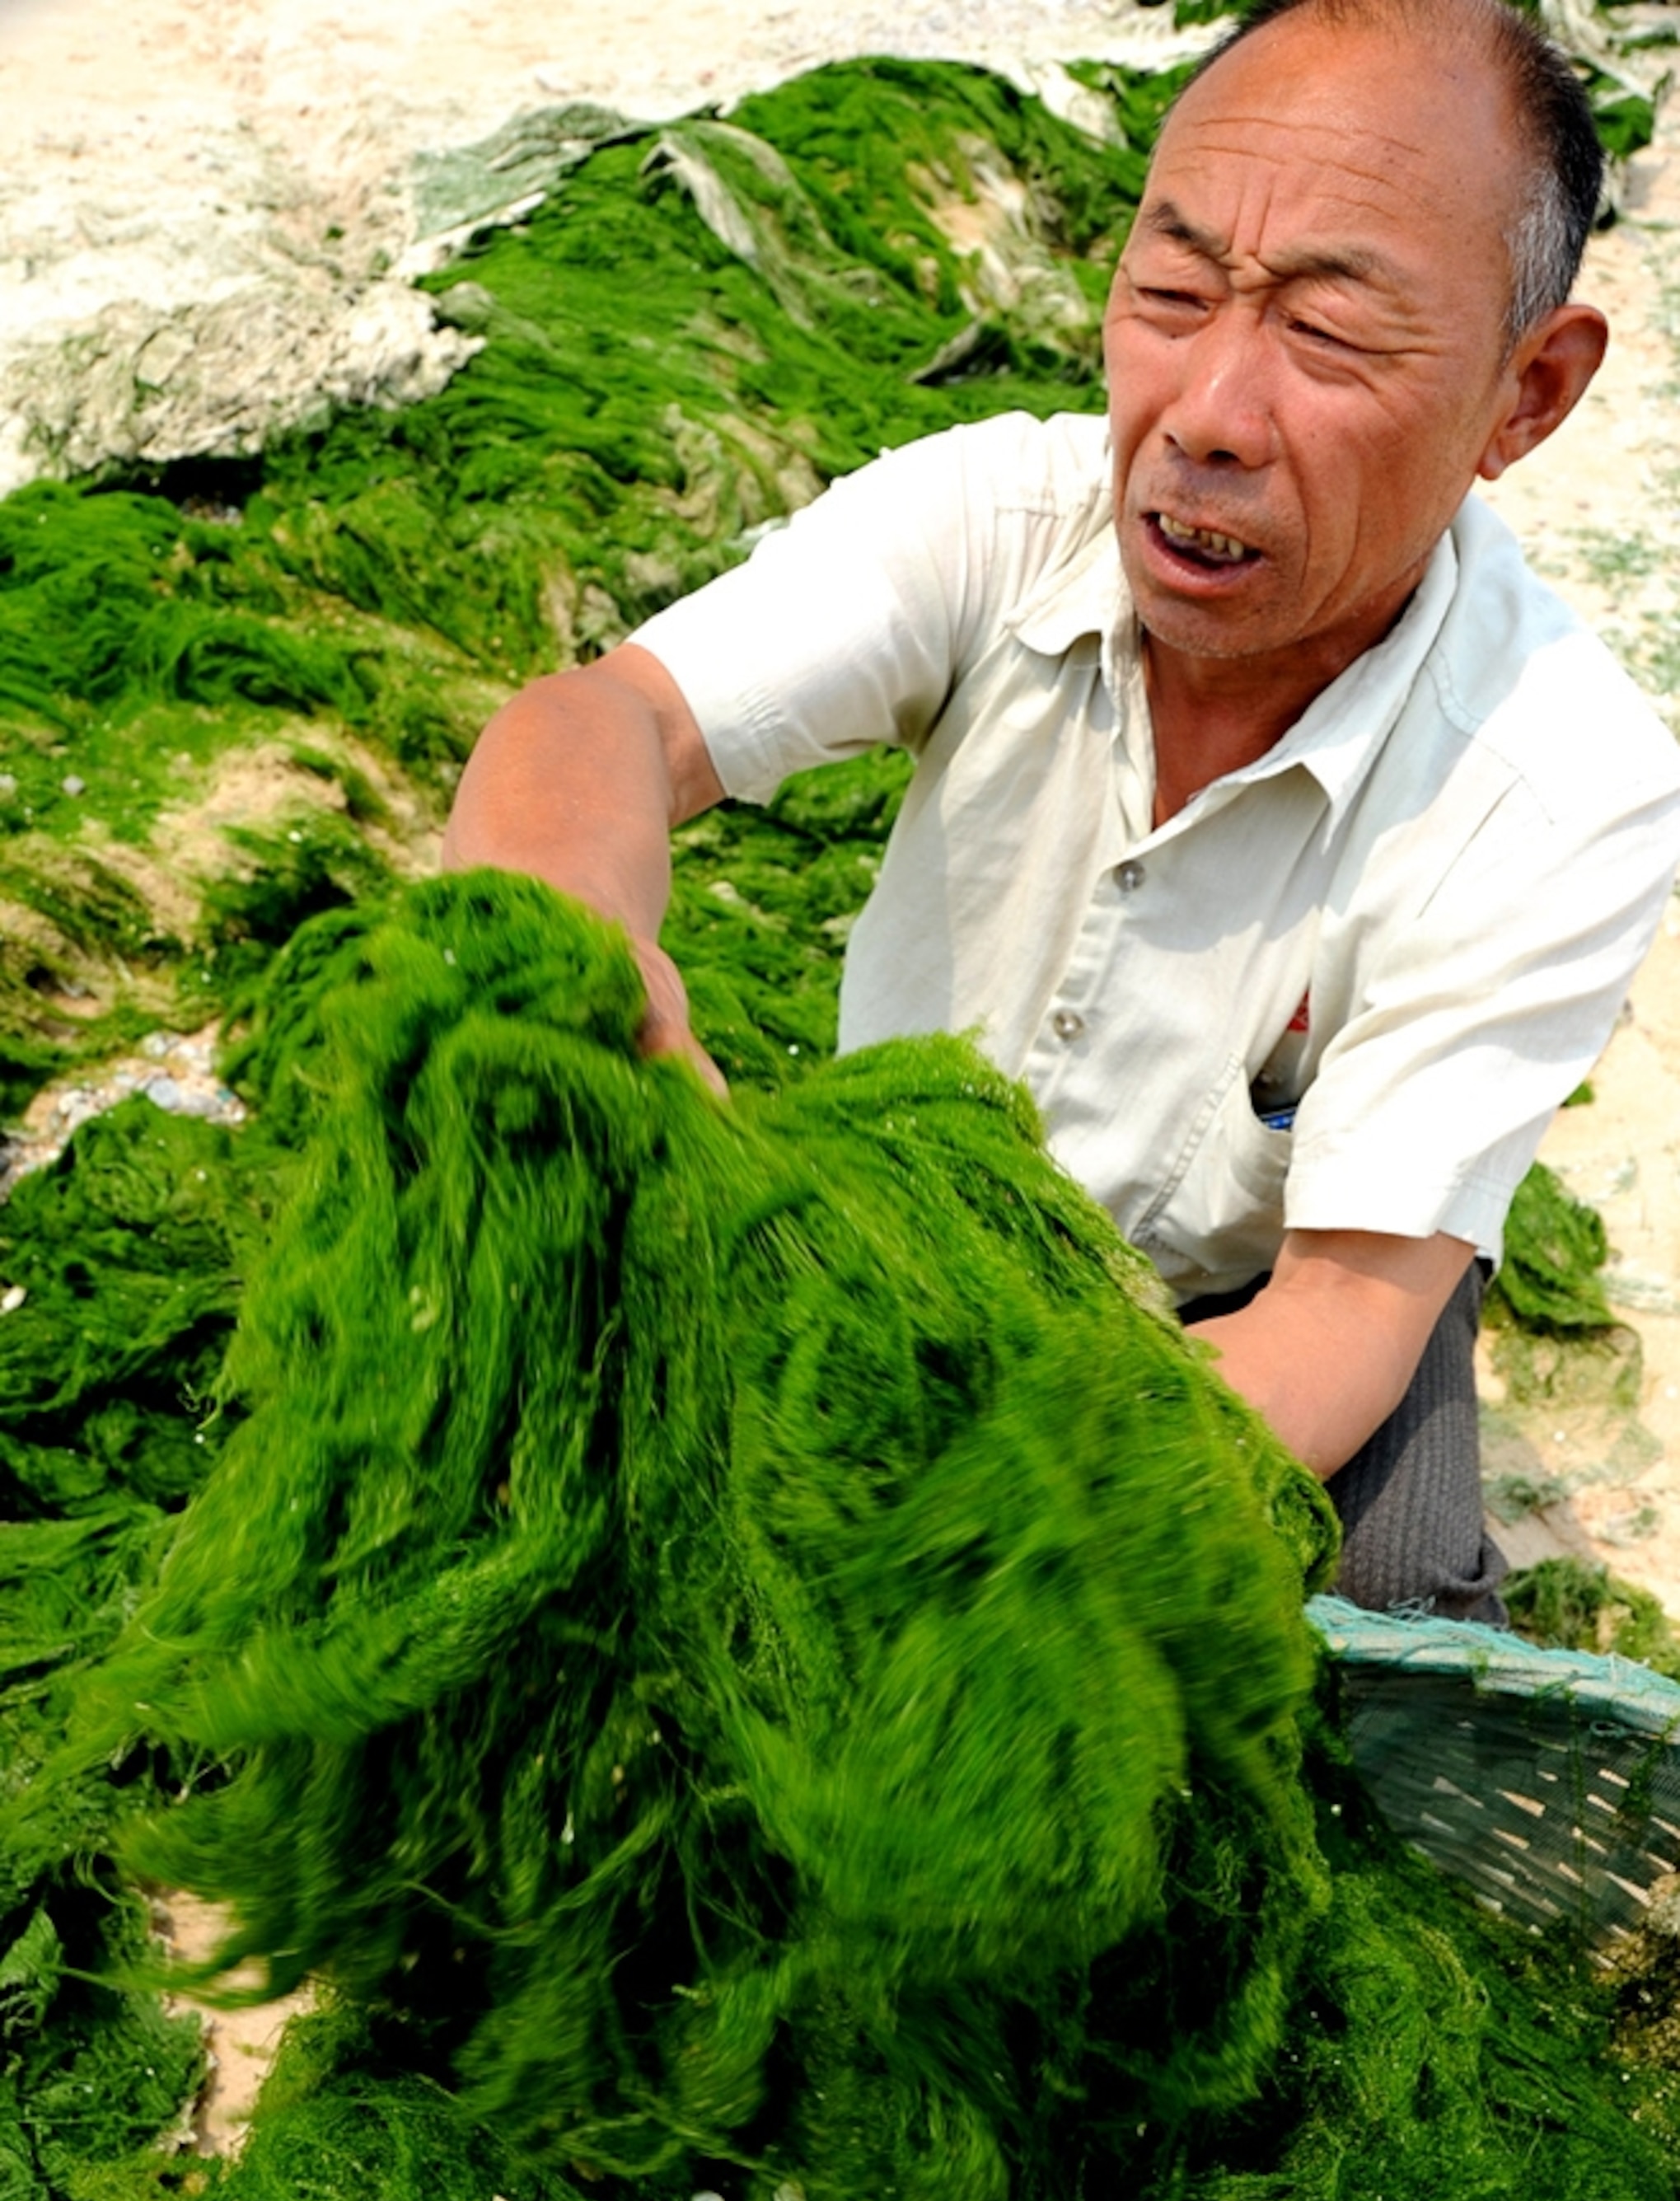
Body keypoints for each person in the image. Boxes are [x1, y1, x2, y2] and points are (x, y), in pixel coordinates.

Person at [442, 0, 1680, 1621]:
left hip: (1275, 1284)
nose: (1210, 415)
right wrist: (585, 947)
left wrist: (960, 1508)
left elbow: (1335, 1323)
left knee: (1367, 1590)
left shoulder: (1561, 782)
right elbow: (603, 722)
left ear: (1527, 395)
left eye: (1329, 338)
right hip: (894, 1211)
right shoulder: (997, 517)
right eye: (1171, 294)